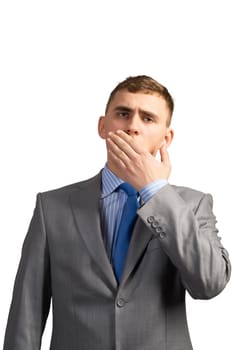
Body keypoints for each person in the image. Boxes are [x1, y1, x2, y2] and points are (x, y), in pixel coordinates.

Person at [3, 75, 231, 350]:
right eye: (123, 113)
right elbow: (26, 315)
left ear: (166, 138)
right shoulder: (51, 207)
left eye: (148, 118)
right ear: (102, 126)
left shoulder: (192, 204)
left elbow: (209, 283)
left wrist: (156, 192)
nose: (133, 126)